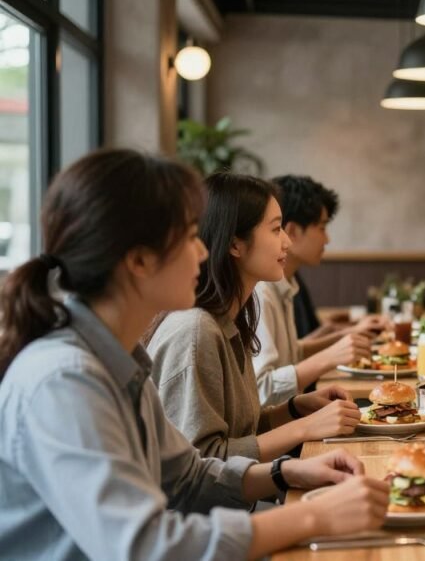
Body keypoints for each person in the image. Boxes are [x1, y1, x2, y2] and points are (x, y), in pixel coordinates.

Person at [0, 149, 389, 559]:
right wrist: (313, 517)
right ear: (138, 260)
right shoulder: (66, 380)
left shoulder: (118, 361)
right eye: (189, 237)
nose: (204, 251)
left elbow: (189, 476)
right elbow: (146, 547)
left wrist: (286, 471)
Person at [147, 173, 360, 462]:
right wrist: (304, 427)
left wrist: (296, 408)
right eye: (275, 230)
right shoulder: (196, 331)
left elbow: (241, 430)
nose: (286, 242)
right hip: (218, 508)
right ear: (235, 244)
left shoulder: (232, 318)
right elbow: (204, 465)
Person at [252, 174, 386, 406]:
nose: (327, 239)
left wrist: (343, 336)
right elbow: (261, 391)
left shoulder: (285, 285)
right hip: (282, 423)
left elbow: (292, 352)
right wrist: (333, 352)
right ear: (293, 231)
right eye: (322, 227)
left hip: (293, 412)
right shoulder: (262, 292)